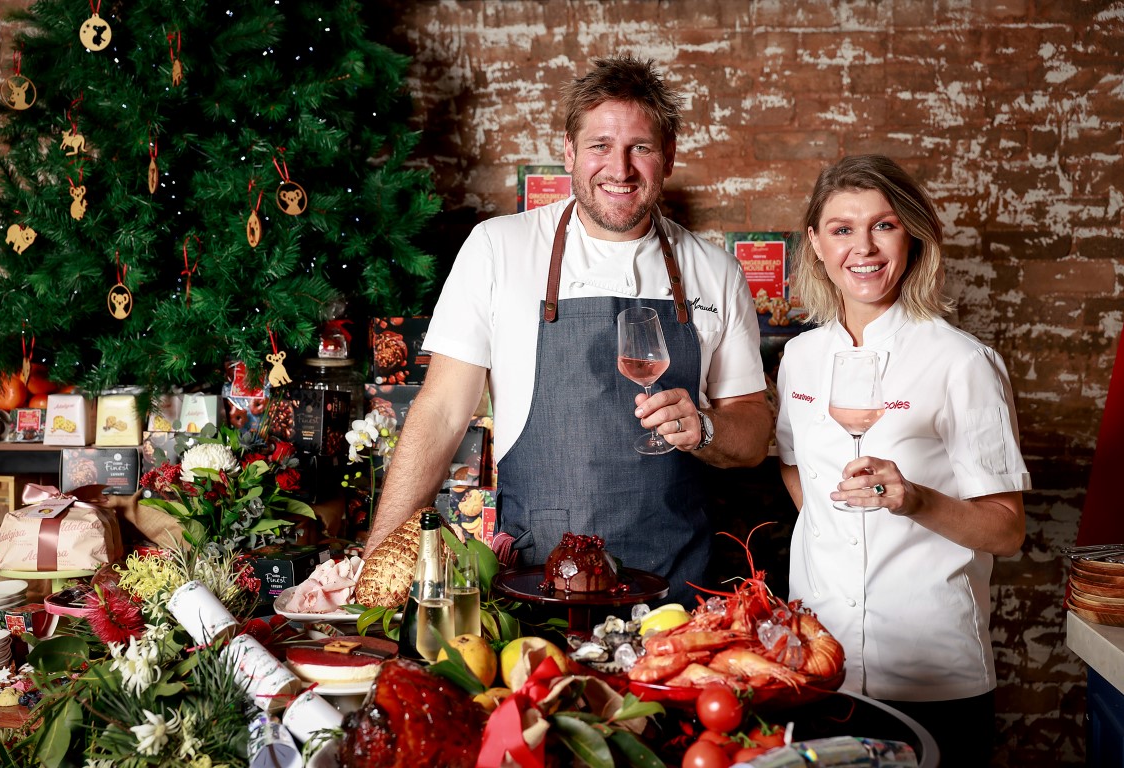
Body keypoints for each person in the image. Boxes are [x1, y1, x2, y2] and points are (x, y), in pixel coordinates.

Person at [365, 55, 772, 607]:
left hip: (677, 590)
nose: (620, 168)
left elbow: (752, 434)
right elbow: (439, 412)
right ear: (569, 153)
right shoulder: (499, 248)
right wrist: (377, 554)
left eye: (641, 148)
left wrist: (702, 428)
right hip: (538, 587)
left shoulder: (714, 270)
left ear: (669, 157)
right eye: (601, 145)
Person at [776, 154, 1030, 766]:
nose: (862, 247)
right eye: (841, 229)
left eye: (883, 225)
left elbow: (1007, 529)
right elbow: (792, 461)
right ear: (814, 241)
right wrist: (834, 526)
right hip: (818, 661)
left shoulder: (961, 361)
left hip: (933, 669)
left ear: (912, 234)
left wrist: (911, 500)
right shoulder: (801, 357)